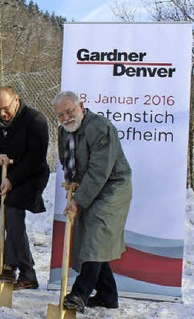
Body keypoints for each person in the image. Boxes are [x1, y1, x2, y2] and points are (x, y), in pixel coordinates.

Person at [53, 91, 132, 312]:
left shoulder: (100, 128)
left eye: (70, 111)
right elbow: (65, 159)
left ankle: (79, 293)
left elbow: (99, 171)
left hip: (112, 187)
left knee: (96, 237)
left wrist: (78, 201)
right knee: (92, 240)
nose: (66, 117)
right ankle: (108, 295)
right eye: (60, 115)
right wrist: (72, 186)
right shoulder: (63, 132)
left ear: (81, 105)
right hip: (86, 187)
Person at [0, 86, 49, 290]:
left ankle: (27, 272)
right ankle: (10, 265)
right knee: (8, 220)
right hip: (5, 173)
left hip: (30, 175)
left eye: (5, 109)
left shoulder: (36, 120)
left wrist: (12, 178)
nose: (2, 114)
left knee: (12, 216)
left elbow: (36, 157)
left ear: (16, 100)